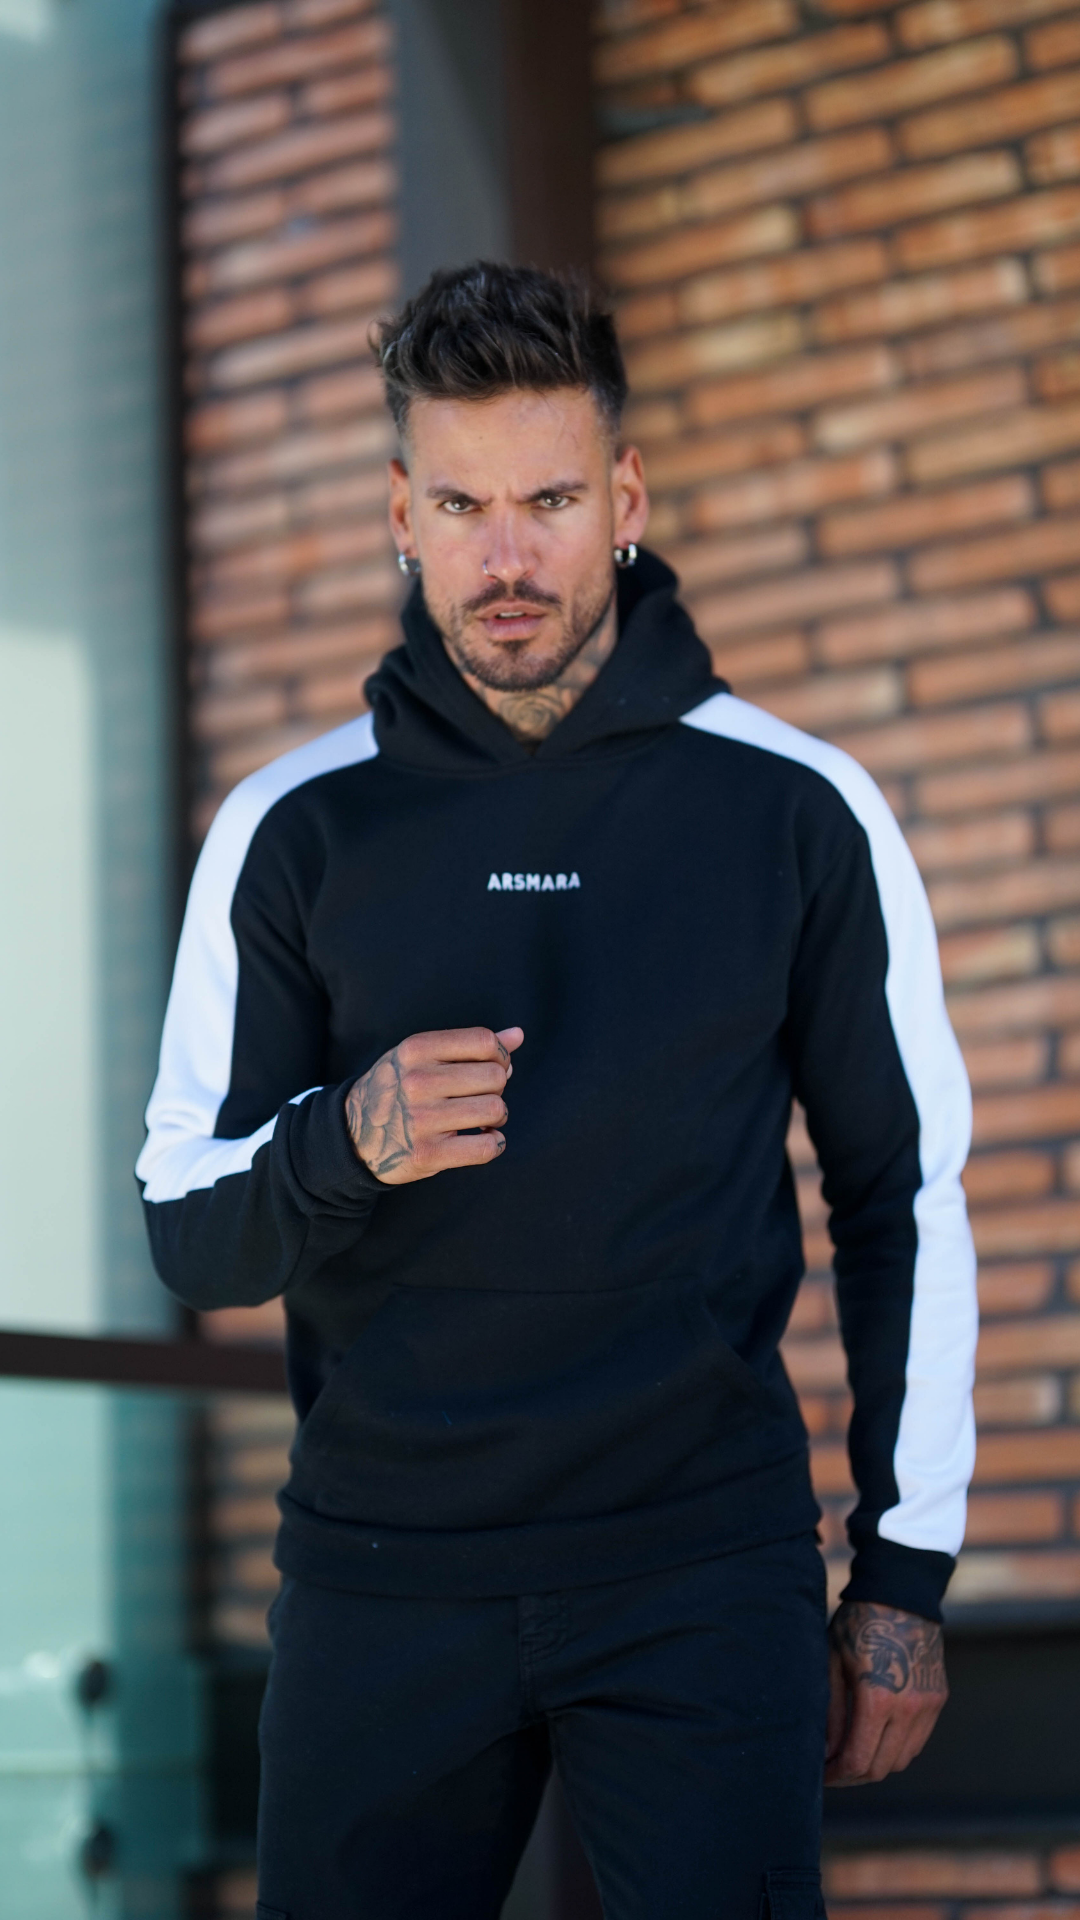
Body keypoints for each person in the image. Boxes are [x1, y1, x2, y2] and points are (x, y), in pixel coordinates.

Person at [137, 262, 977, 1920]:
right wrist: (343, 1144)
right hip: (383, 1579)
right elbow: (186, 1228)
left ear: (626, 501)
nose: (506, 557)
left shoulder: (797, 807)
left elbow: (903, 1196)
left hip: (700, 1569)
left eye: (550, 501)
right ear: (403, 512)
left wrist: (903, 1572)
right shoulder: (292, 829)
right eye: (462, 505)